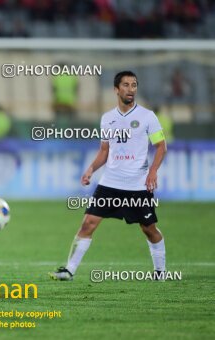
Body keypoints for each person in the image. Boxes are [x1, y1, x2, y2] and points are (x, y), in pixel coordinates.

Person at [49, 71, 167, 281]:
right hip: (110, 182)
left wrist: (153, 171)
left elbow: (161, 147)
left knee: (148, 229)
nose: (131, 89)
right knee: (88, 223)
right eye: (126, 85)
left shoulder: (147, 116)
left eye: (134, 85)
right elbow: (105, 151)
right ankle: (69, 270)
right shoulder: (107, 119)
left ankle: (160, 271)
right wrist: (90, 170)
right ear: (116, 89)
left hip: (137, 185)